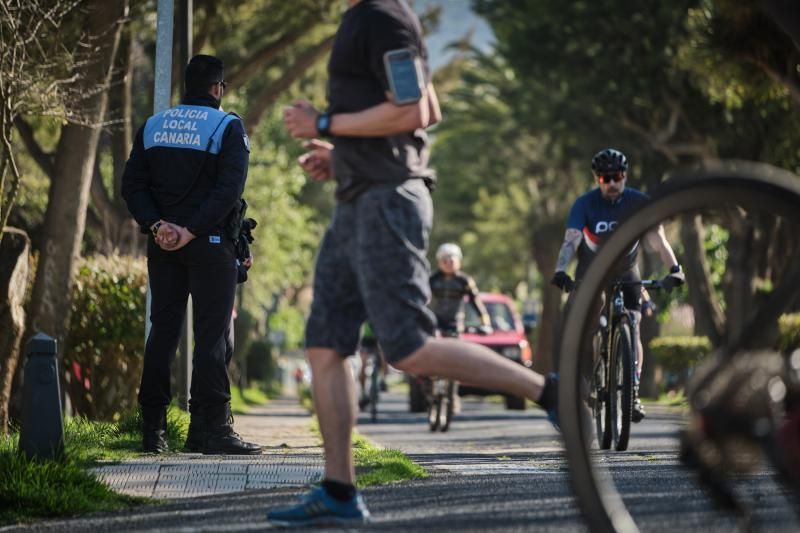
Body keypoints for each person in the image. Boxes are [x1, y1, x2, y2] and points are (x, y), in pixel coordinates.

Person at [269, 0, 558, 526]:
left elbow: (416, 111)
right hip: (356, 196)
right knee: (323, 342)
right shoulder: (364, 17)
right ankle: (338, 490)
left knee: (409, 347)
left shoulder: (384, 16)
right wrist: (343, 157)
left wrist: (326, 122)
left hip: (387, 201)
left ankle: (545, 390)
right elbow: (423, 107)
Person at [121, 54, 261, 455]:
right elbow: (229, 190)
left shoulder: (153, 126)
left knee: (162, 332)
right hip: (208, 243)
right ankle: (213, 429)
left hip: (162, 244)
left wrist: (158, 226)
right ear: (217, 88)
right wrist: (193, 230)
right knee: (211, 335)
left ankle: (153, 431)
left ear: (187, 86)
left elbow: (133, 186)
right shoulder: (227, 126)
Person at [551, 148, 685, 422]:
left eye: (617, 176)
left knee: (633, 324)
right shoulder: (584, 204)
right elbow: (571, 241)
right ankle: (592, 370)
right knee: (593, 315)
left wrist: (675, 269)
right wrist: (561, 270)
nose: (612, 183)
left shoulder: (638, 201)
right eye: (605, 178)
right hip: (592, 271)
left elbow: (657, 239)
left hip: (626, 269)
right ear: (597, 179)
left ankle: (632, 391)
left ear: (625, 176)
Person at [357, 321, 388, 410]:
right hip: (367, 339)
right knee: (363, 364)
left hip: (379, 338)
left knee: (384, 357)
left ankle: (383, 380)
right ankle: (363, 393)